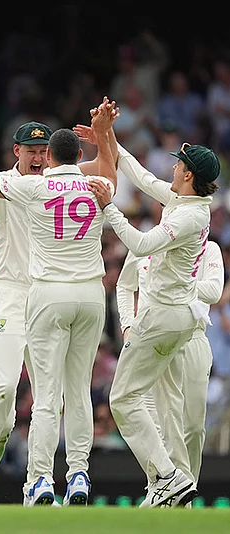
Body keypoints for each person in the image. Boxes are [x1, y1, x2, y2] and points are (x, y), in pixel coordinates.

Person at [0, 92, 117, 505]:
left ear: (53, 154)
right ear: (17, 152)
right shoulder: (11, 182)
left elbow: (104, 166)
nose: (39, 157)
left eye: (45, 150)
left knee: (52, 393)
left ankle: (35, 482)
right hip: (11, 292)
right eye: (31, 151)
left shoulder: (51, 180)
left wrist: (105, 136)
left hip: (48, 293)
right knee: (4, 389)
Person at [88, 141, 221, 507]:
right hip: (172, 319)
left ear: (189, 174)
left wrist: (108, 207)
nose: (172, 168)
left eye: (178, 165)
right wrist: (109, 140)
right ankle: (169, 483)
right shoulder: (186, 202)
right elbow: (143, 178)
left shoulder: (187, 216)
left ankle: (167, 477)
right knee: (163, 411)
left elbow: (142, 244)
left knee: (123, 398)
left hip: (163, 318)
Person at [116, 239, 224, 485]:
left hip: (192, 336)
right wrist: (127, 324)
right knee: (157, 423)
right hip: (151, 340)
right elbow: (124, 285)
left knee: (194, 426)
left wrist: (172, 280)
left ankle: (186, 488)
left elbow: (214, 291)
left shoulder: (208, 248)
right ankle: (160, 486)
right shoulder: (145, 243)